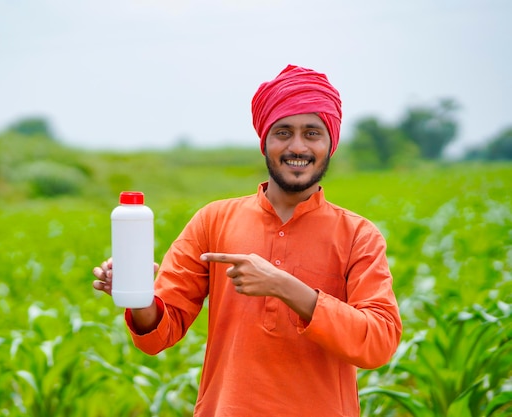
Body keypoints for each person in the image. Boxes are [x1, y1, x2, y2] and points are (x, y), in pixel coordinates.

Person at [93, 64, 402, 416]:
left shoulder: (358, 235)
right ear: (264, 142)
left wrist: (286, 286)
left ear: (331, 142)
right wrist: (138, 294)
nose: (297, 146)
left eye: (312, 133)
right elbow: (159, 334)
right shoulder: (214, 220)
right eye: (283, 132)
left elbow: (379, 343)